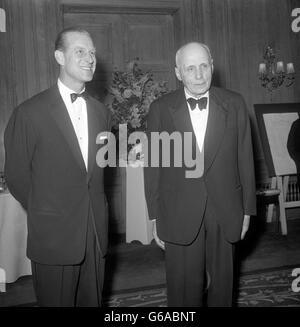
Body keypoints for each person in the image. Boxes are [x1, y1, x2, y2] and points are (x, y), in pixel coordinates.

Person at [4, 27, 111, 307]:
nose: (89, 58)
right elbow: (16, 177)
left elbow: (98, 174)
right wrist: (50, 211)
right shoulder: (29, 113)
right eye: (80, 51)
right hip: (54, 236)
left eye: (92, 53)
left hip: (95, 234)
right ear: (59, 57)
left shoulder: (102, 113)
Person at [144, 42, 256, 306]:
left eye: (204, 66)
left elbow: (245, 159)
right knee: (183, 293)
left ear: (213, 67)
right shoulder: (161, 108)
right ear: (178, 73)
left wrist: (248, 209)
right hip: (177, 212)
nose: (198, 74)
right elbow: (153, 167)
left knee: (222, 289)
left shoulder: (235, 103)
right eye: (190, 68)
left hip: (226, 209)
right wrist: (155, 215)